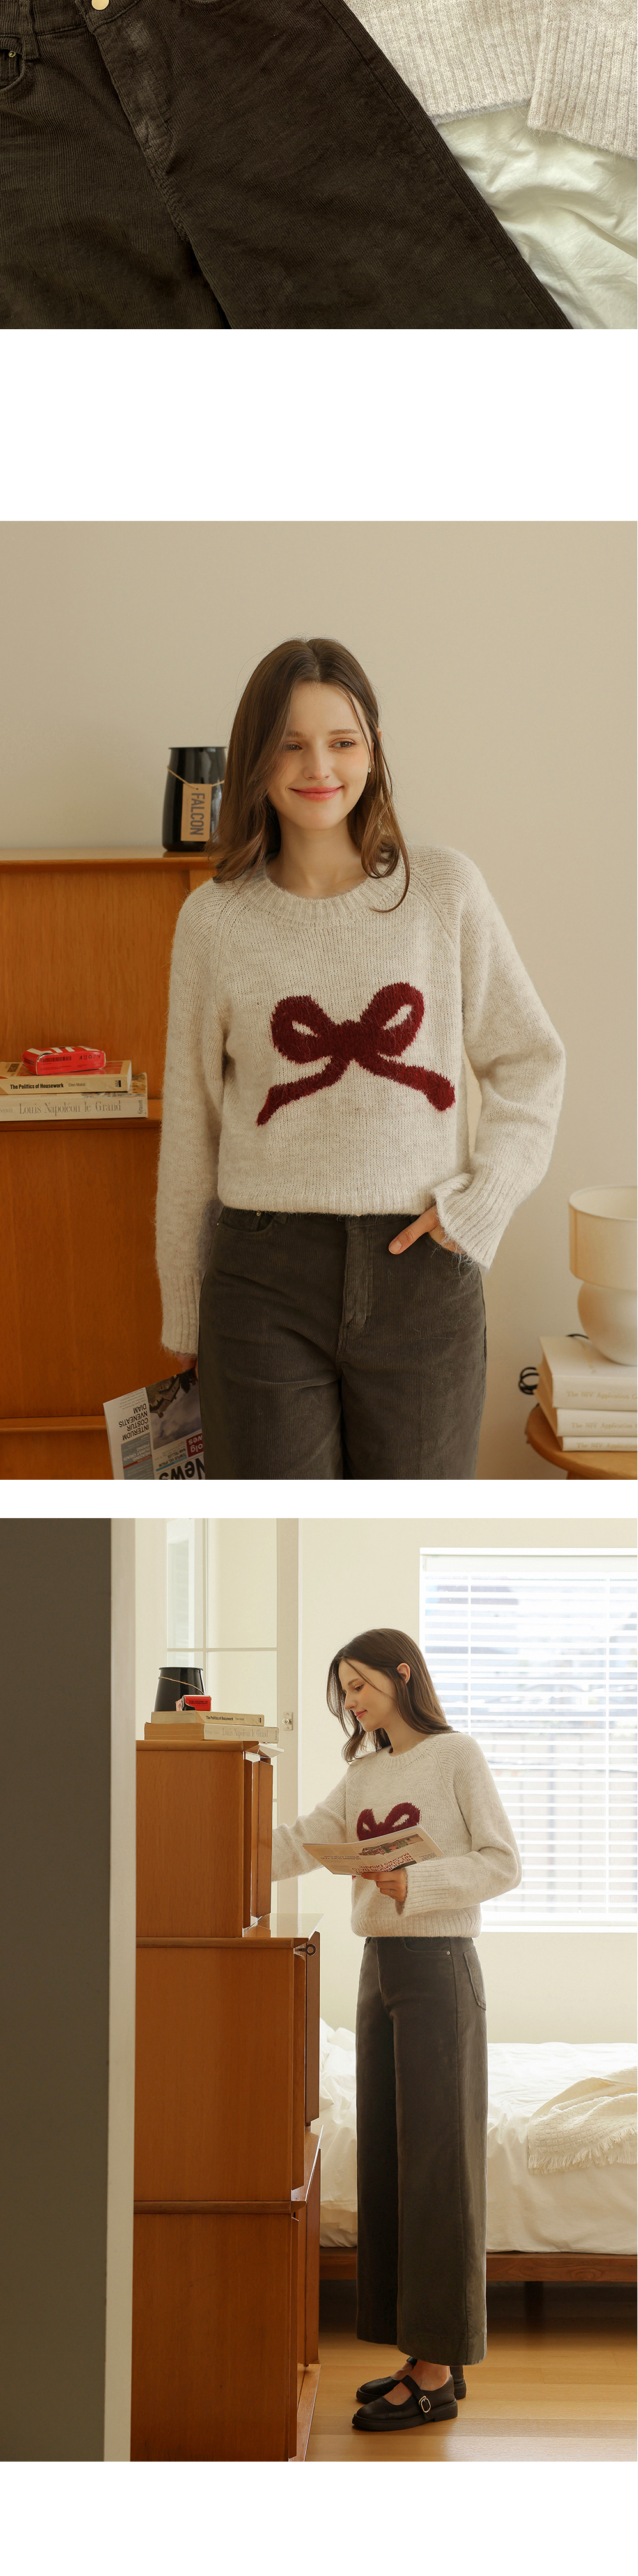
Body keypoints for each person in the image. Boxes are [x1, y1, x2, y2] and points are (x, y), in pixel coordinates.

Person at [155, 633, 565, 1479]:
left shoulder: (444, 891)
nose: (319, 767)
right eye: (290, 744)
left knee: (412, 1516)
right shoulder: (213, 921)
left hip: (422, 1269)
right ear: (255, 757)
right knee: (274, 1520)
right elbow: (191, 1124)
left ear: (373, 750)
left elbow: (530, 1062)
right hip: (260, 1279)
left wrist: (478, 1207)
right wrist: (184, 1307)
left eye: (341, 741)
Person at [270, 1626, 521, 2432]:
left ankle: (437, 2370)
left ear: (401, 1673)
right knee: (388, 2155)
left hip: (439, 1963)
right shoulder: (363, 1772)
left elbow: (501, 1861)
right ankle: (420, 2351)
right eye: (343, 1689)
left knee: (437, 2163)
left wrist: (416, 1880)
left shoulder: (455, 1756)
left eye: (360, 1683)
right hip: (377, 1965)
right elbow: (302, 1842)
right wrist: (213, 1838)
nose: (351, 1700)